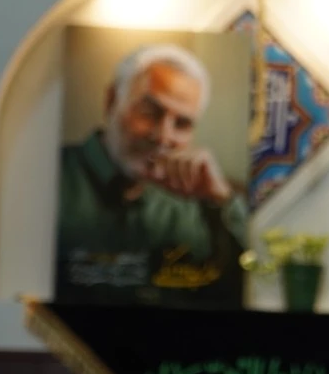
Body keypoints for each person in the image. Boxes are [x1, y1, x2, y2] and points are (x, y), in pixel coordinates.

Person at [56, 43, 249, 309]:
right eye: (149, 113)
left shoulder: (200, 205)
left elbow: (252, 286)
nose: (163, 137)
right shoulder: (48, 178)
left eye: (182, 124)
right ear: (111, 101)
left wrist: (222, 199)